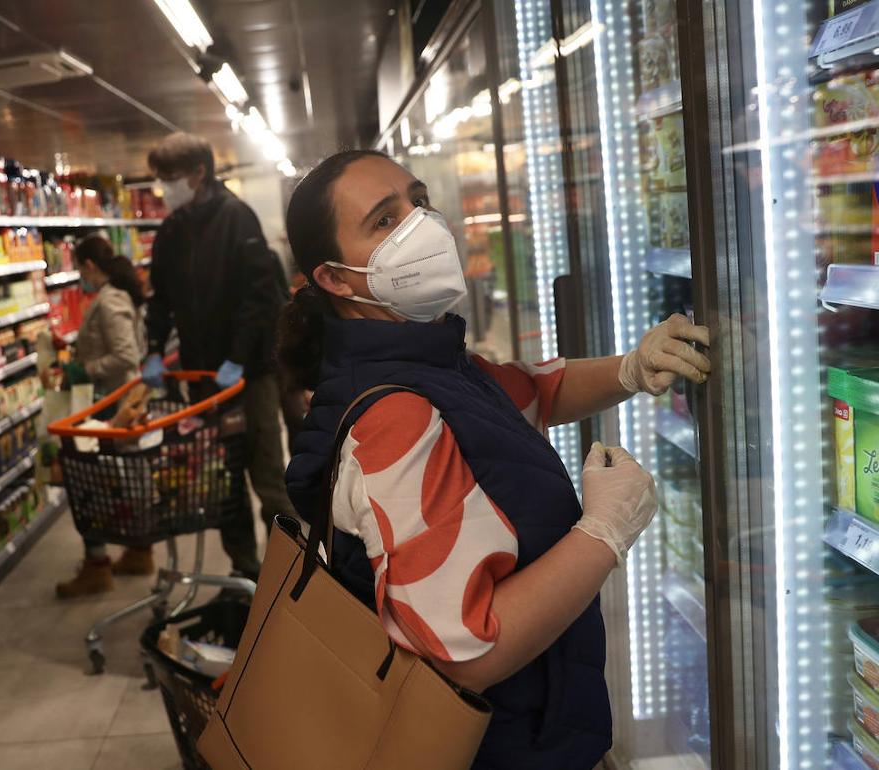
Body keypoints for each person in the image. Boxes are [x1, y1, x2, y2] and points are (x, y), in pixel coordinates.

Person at [279, 150, 711, 769]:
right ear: (336, 279)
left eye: (417, 199)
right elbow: (465, 654)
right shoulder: (395, 419)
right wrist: (603, 533)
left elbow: (528, 389)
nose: (421, 224)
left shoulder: (423, 362)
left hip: (531, 730)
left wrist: (632, 368)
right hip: (500, 750)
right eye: (383, 220)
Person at [142, 132, 292, 579]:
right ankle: (246, 571)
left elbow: (259, 297)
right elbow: (160, 298)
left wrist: (239, 359)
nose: (163, 189)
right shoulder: (172, 230)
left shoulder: (237, 218)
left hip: (251, 376)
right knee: (222, 483)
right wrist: (152, 350)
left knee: (267, 477)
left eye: (169, 179)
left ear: (198, 173)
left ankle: (287, 574)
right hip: (202, 380)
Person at [55, 234, 155, 598]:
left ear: (89, 266)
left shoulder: (110, 299)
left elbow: (126, 354)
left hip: (110, 407)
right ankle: (138, 551)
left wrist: (85, 369)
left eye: (80, 268)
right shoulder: (118, 294)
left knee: (89, 483)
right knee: (120, 479)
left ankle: (97, 565)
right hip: (119, 401)